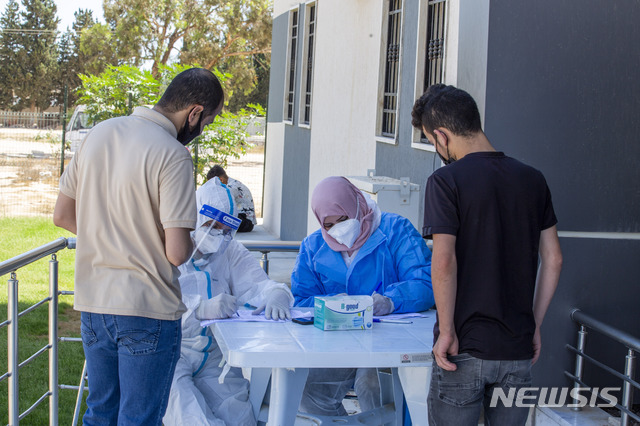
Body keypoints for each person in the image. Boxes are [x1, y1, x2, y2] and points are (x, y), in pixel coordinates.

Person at [53, 68, 224, 425]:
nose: (201, 129)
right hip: (147, 308)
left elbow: (63, 215)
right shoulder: (174, 155)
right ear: (193, 113)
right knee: (139, 419)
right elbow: (177, 252)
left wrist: (112, 236)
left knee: (101, 413)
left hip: (94, 302)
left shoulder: (98, 134)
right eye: (206, 121)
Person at [412, 84, 563, 426]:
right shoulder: (533, 180)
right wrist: (534, 325)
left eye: (431, 140)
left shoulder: (445, 181)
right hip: (517, 351)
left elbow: (444, 260)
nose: (436, 148)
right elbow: (554, 259)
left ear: (442, 135)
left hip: (463, 349)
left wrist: (447, 330)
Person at [291, 176, 435, 417]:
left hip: (388, 339)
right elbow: (302, 299)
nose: (338, 229)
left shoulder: (395, 230)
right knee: (310, 391)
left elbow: (425, 283)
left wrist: (390, 301)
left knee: (372, 385)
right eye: (329, 225)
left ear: (357, 204)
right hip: (335, 342)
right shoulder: (313, 246)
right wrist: (332, 305)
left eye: (344, 219)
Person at [163, 177, 293, 426]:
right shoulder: (168, 248)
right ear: (195, 219)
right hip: (170, 352)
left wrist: (278, 294)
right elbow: (153, 304)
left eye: (226, 229)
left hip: (215, 356)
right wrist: (198, 310)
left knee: (242, 417)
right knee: (190, 417)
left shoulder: (229, 250)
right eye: (212, 226)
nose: (219, 235)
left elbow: (259, 285)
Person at [207, 164, 257, 232]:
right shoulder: (230, 184)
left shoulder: (231, 188)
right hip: (241, 218)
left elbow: (220, 205)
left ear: (221, 180)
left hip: (246, 222)